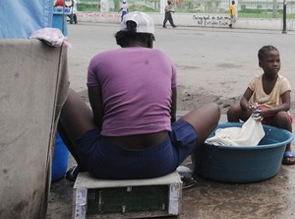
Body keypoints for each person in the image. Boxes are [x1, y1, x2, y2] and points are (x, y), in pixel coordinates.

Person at [57, 11, 220, 181]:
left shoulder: (99, 61)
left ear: (120, 39)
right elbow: (171, 117)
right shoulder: (165, 59)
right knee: (213, 109)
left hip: (106, 164)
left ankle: (83, 165)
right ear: (150, 39)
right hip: (160, 163)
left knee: (62, 93)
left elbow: (99, 120)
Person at [227, 45, 295, 165]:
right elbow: (244, 99)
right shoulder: (256, 79)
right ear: (260, 64)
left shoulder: (283, 82)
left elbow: (286, 105)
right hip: (258, 116)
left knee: (283, 116)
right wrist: (247, 106)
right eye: (270, 61)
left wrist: (267, 112)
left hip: (274, 116)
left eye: (278, 61)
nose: (275, 64)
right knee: (233, 110)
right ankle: (238, 139)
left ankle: (288, 149)